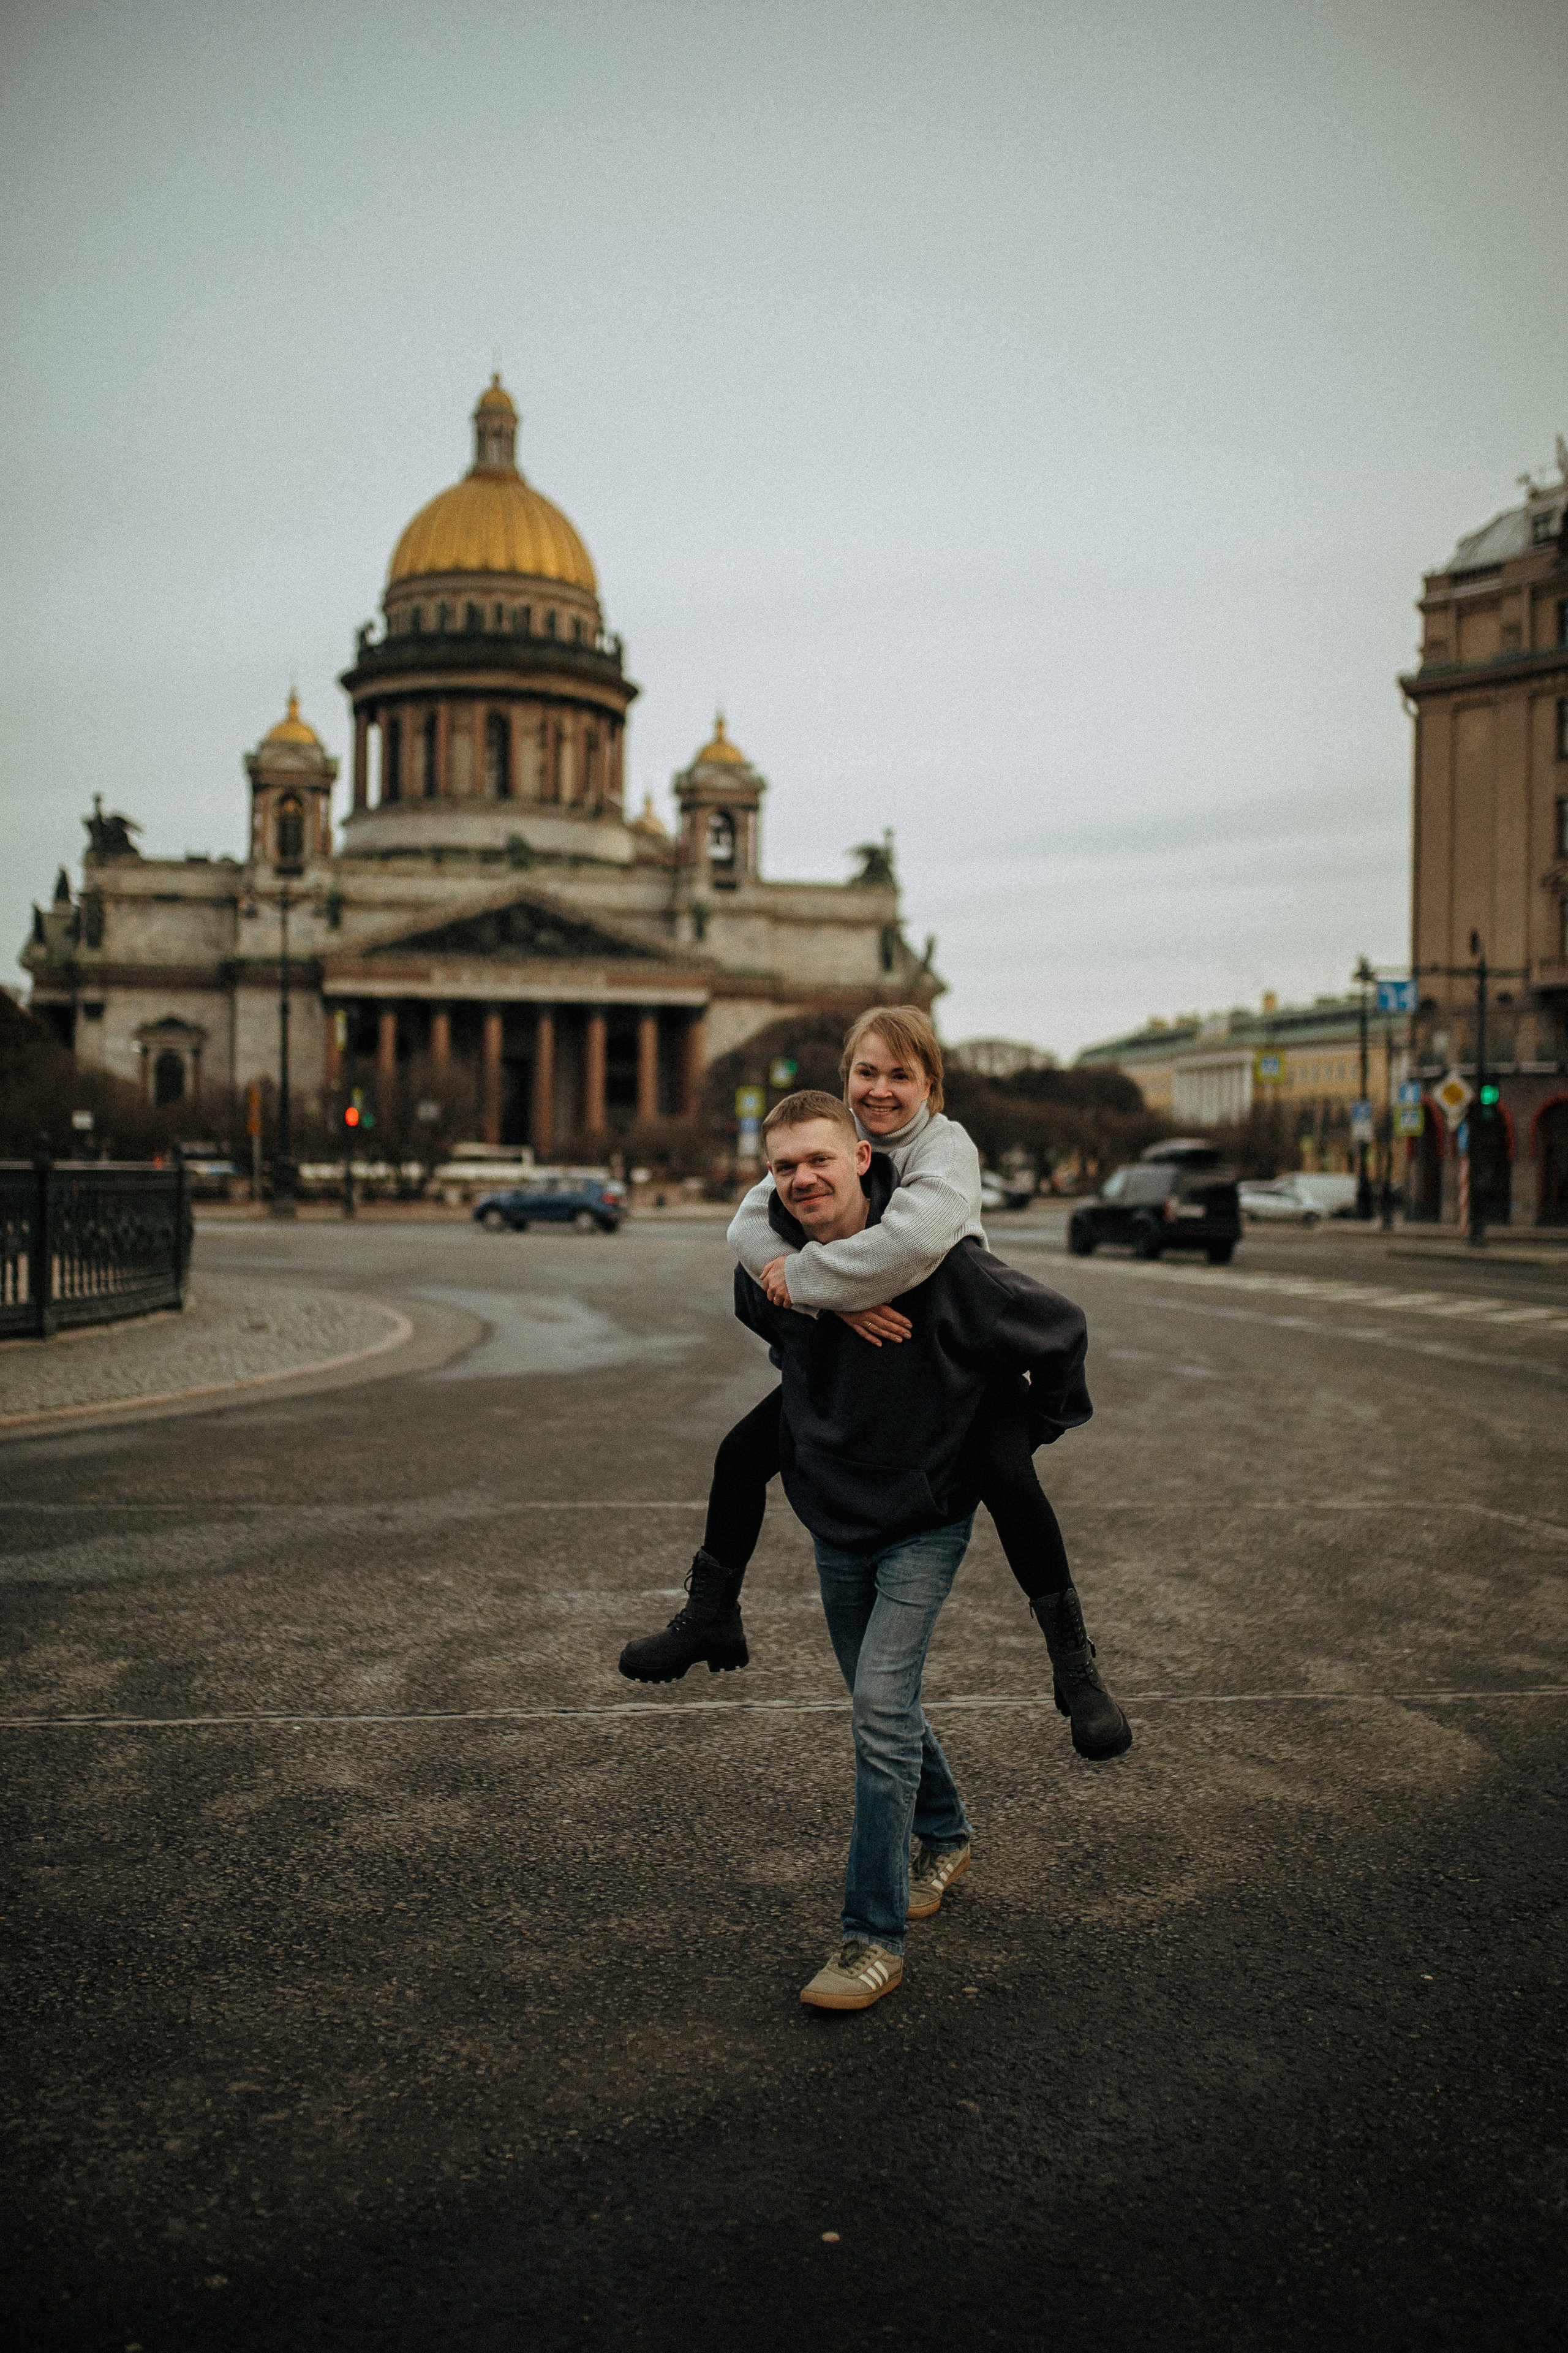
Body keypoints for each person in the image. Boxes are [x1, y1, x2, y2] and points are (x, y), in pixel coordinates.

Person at [618, 1005, 1129, 1760]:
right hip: (854, 1344)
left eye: (900, 1075)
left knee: (1006, 1477)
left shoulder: (943, 1147)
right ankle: (709, 1611)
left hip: (951, 1350)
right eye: (866, 1072)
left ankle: (1074, 1665)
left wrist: (1033, 1421)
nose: (881, 1088)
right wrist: (826, 1302)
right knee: (740, 1452)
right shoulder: (817, 1145)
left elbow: (913, 1245)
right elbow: (746, 1233)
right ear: (844, 1078)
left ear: (931, 1085)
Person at [723, 1090, 1093, 2009]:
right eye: (783, 1168)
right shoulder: (773, 1266)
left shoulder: (947, 1266)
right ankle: (948, 1831)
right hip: (836, 1516)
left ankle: (871, 1939)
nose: (801, 1178)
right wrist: (836, 1300)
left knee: (881, 1709)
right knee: (876, 1700)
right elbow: (782, 1346)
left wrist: (1010, 1439)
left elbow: (1061, 1331)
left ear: (859, 1155)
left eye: (817, 1160)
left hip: (926, 1518)